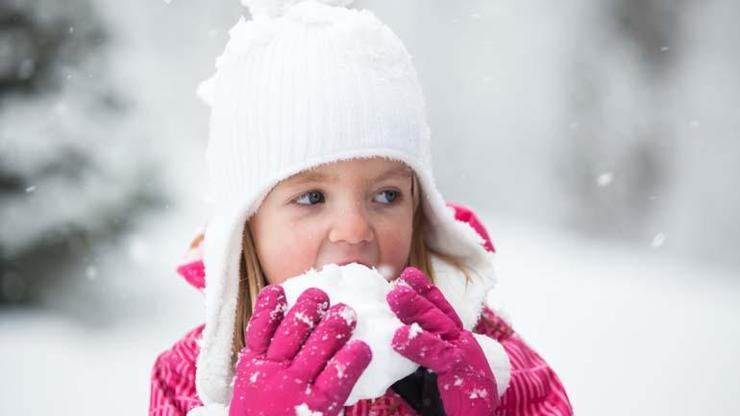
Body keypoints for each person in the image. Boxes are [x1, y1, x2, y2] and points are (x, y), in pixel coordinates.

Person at [150, 1, 572, 415]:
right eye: (312, 197)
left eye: (386, 195)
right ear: (246, 229)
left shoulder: (478, 348)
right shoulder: (189, 378)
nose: (354, 229)